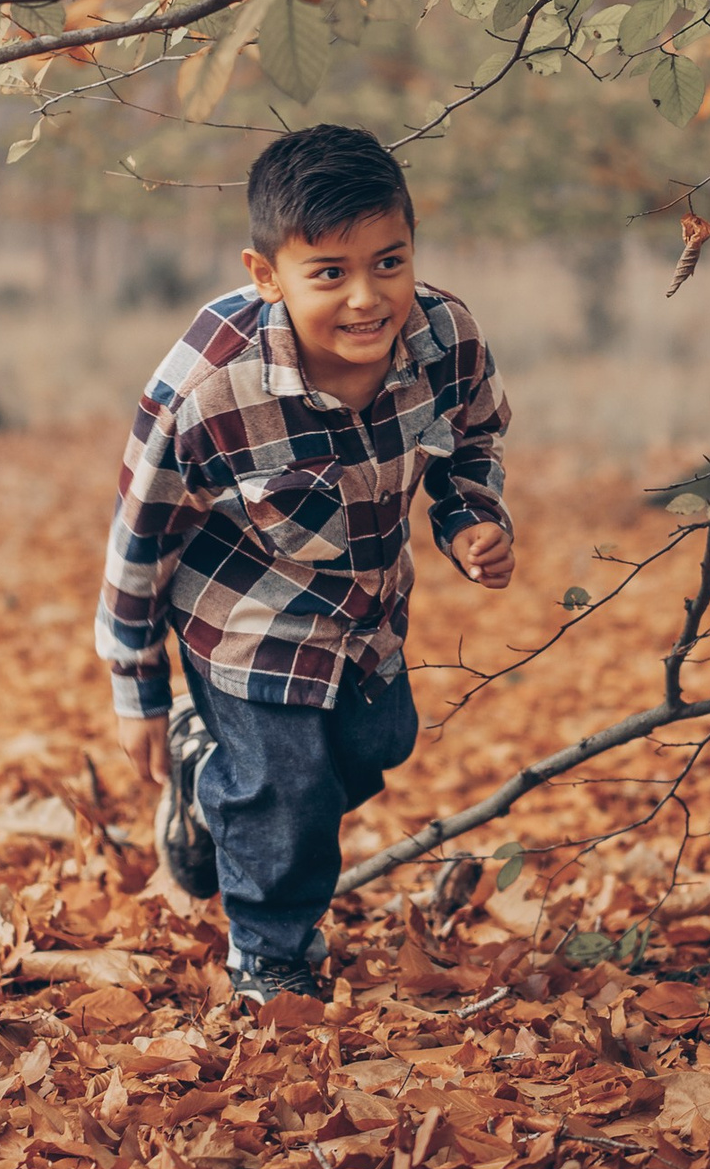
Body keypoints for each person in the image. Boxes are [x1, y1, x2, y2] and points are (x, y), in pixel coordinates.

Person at [95, 124, 514, 1003]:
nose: (367, 298)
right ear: (266, 274)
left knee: (374, 747)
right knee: (285, 790)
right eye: (329, 273)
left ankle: (213, 782)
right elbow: (140, 538)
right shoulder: (210, 390)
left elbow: (473, 438)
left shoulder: (446, 338)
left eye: (389, 263)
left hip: (365, 617)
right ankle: (272, 955)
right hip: (241, 622)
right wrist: (134, 689)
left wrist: (470, 516)